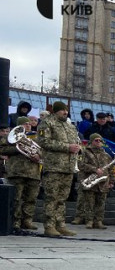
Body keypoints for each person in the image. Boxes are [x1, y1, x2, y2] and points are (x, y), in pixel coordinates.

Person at [38, 101, 81, 237]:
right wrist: (67, 147)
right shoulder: (47, 123)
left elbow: (76, 143)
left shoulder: (70, 127)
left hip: (68, 167)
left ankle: (60, 224)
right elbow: (44, 142)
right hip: (54, 166)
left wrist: (78, 148)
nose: (65, 112)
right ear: (56, 111)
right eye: (62, 110)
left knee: (62, 198)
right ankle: (49, 226)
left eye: (66, 110)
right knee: (52, 197)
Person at [0, 117, 41, 231]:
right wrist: (17, 148)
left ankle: (27, 220)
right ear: (19, 126)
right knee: (16, 199)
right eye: (25, 124)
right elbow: (2, 149)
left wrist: (38, 156)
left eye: (29, 124)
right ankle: (15, 222)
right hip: (17, 171)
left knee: (31, 198)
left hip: (33, 173)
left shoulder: (36, 137)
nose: (28, 125)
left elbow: (43, 151)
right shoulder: (9, 137)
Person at [78, 133, 114, 229]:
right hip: (90, 181)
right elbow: (80, 165)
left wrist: (111, 181)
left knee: (101, 203)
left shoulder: (106, 155)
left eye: (100, 140)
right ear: (91, 141)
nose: (99, 142)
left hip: (103, 183)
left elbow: (111, 170)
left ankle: (99, 221)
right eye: (96, 140)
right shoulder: (85, 152)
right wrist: (94, 169)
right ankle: (89, 221)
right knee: (89, 203)